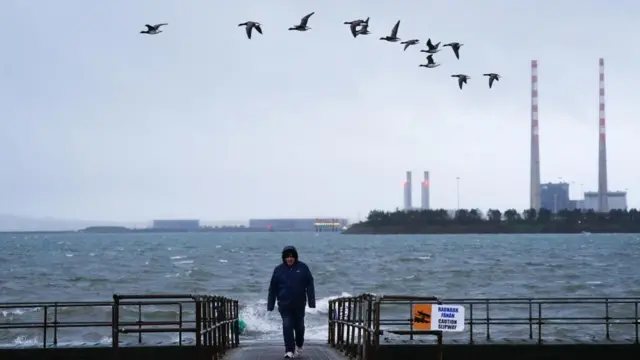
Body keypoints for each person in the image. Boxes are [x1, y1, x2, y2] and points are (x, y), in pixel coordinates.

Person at [267, 245, 316, 359]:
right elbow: (273, 288)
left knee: (299, 327)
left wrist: (311, 301)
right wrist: (270, 304)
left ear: (295, 257)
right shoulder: (278, 270)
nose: (290, 258)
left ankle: (299, 344)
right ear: (284, 258)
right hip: (284, 304)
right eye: (287, 256)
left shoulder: (303, 268)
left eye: (292, 256)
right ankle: (289, 350)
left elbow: (310, 284)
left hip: (299, 304)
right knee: (287, 325)